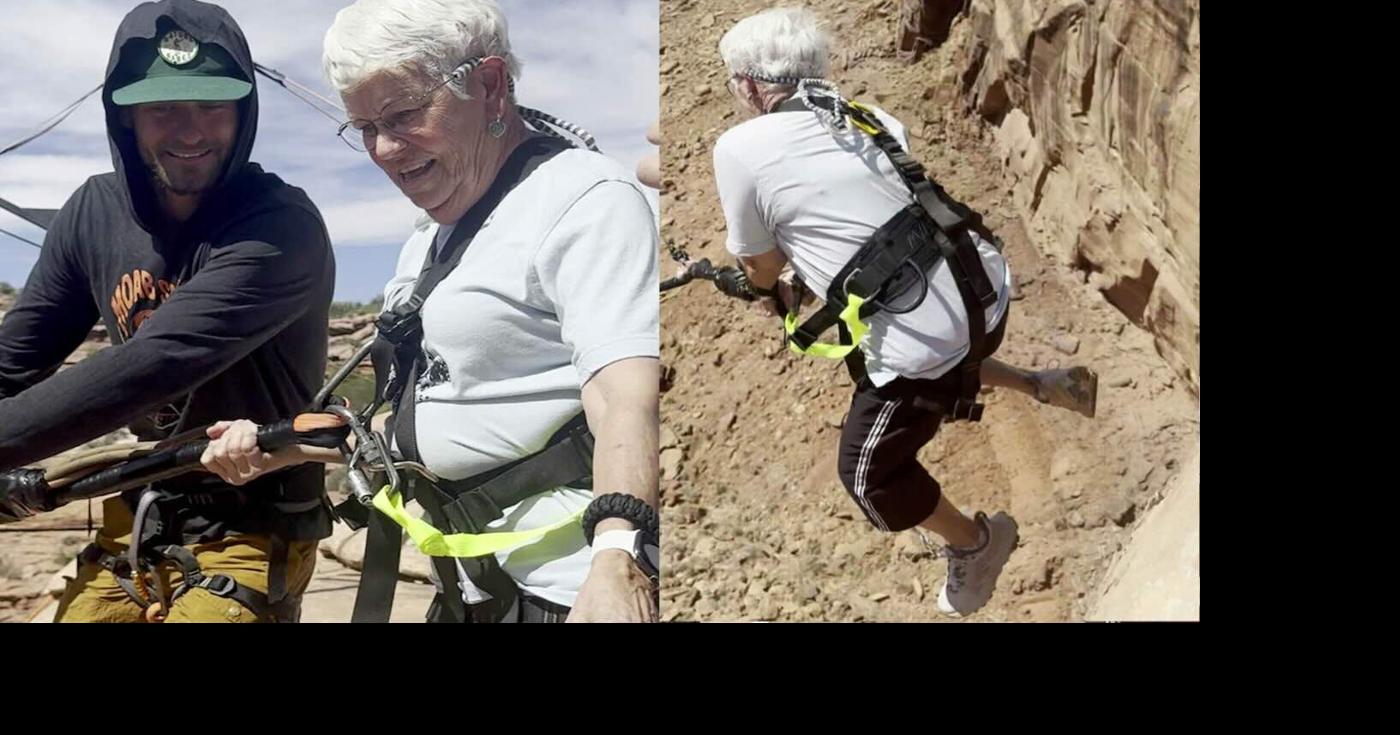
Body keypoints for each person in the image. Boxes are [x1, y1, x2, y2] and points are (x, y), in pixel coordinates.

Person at [203, 0, 661, 623]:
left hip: (565, 591)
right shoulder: (430, 237)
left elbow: (624, 394)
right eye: (364, 126)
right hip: (471, 592)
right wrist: (274, 447)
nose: (385, 150)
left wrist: (618, 559)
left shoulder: (586, 202)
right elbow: (423, 418)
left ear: (490, 84)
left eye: (404, 114)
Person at [709, 7, 1096, 616]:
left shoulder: (738, 147)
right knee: (903, 356)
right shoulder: (870, 116)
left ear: (753, 85)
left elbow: (760, 264)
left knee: (869, 477)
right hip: (986, 293)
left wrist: (769, 289)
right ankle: (1039, 383)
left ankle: (977, 543)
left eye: (734, 84)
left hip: (926, 335)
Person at [0, 0, 335, 623]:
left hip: (254, 525)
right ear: (124, 116)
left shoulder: (279, 226)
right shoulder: (92, 213)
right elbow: (16, 357)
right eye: (162, 108)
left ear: (244, 109)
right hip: (138, 515)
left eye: (212, 105)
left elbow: (153, 364)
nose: (190, 132)